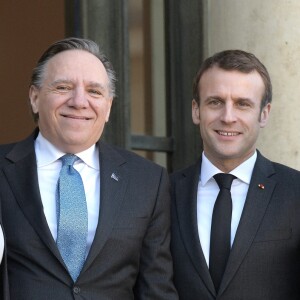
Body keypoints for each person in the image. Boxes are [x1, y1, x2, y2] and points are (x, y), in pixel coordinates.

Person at [0, 37, 178, 300]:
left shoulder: (148, 182)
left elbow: (156, 289)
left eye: (94, 91)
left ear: (108, 107)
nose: (79, 101)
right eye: (63, 87)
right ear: (35, 98)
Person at [170, 49, 300, 299]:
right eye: (215, 102)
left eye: (243, 104)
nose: (228, 117)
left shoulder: (295, 192)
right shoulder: (164, 193)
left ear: (264, 113)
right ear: (196, 110)